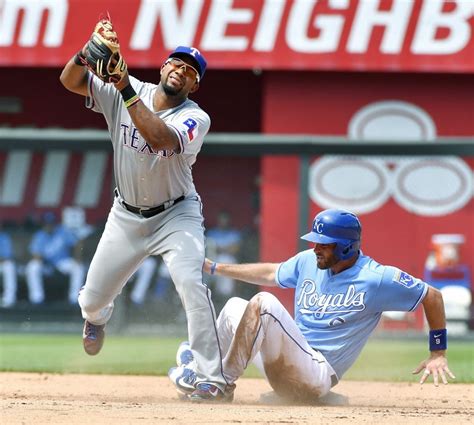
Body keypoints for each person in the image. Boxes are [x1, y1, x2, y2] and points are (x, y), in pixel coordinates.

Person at [59, 18, 230, 401]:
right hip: (125, 215)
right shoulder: (131, 87)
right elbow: (69, 81)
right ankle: (97, 320)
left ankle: (212, 379)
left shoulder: (195, 117)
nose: (181, 71)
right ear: (163, 67)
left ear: (194, 85)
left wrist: (122, 86)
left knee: (191, 283)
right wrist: (87, 52)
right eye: (176, 63)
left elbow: (158, 138)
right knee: (90, 301)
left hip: (177, 215)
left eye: (190, 71)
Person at [169, 209, 455, 403]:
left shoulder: (376, 278)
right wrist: (215, 267)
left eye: (324, 243)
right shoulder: (309, 261)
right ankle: (204, 369)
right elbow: (270, 273)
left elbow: (432, 296)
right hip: (285, 364)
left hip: (317, 375)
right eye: (315, 241)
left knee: (264, 303)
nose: (315, 247)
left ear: (345, 247)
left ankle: (221, 384)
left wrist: (437, 352)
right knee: (234, 306)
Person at [25, 212, 85, 305]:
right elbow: (35, 254)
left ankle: (74, 299)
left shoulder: (63, 232)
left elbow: (77, 243)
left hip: (62, 262)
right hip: (46, 264)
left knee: (78, 267)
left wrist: (77, 258)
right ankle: (37, 299)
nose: (49, 225)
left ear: (55, 223)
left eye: (51, 223)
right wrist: (41, 257)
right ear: (43, 224)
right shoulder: (39, 235)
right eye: (47, 223)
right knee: (32, 267)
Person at [206, 211, 242, 298]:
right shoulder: (212, 233)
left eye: (225, 219)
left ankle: (224, 295)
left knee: (225, 262)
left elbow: (234, 249)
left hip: (229, 260)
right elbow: (208, 248)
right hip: (211, 258)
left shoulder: (234, 233)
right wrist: (225, 248)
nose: (223, 221)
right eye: (221, 219)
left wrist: (218, 248)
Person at [0, 226, 17, 308]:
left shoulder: (4, 237)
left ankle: (9, 300)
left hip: (2, 264)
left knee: (9, 266)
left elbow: (7, 256)